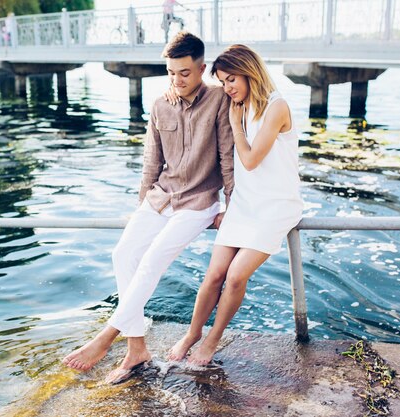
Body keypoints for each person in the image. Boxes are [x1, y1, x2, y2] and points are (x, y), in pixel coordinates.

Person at [63, 32, 234, 383]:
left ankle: (105, 337)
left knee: (153, 260)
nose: (177, 79)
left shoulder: (219, 101)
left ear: (202, 68)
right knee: (123, 254)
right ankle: (136, 348)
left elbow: (228, 159)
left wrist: (230, 206)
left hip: (198, 202)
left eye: (185, 72)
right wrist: (143, 208)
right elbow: (151, 161)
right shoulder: (160, 104)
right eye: (171, 72)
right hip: (161, 197)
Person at [168, 44, 304, 365]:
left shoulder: (276, 106)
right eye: (223, 82)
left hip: (275, 206)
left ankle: (213, 340)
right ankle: (193, 333)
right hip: (244, 203)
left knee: (235, 276)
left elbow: (251, 159)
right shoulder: (238, 103)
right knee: (214, 274)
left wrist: (234, 123)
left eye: (232, 80)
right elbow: (190, 91)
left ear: (249, 72)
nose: (228, 88)